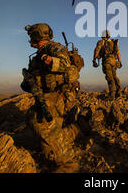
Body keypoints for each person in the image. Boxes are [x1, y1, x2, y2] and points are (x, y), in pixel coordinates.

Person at [20, 23, 81, 172]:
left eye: (32, 36)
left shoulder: (54, 48)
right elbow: (32, 78)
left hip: (58, 95)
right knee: (38, 122)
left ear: (37, 36)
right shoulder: (37, 56)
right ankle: (73, 131)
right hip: (45, 96)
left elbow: (65, 65)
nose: (30, 40)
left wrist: (47, 59)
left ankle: (68, 165)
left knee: (40, 122)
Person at [93, 30, 122, 100]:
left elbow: (96, 51)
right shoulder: (113, 42)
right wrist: (119, 61)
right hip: (114, 62)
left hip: (107, 62)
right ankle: (119, 91)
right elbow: (118, 53)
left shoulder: (100, 42)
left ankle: (112, 95)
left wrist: (94, 60)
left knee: (109, 78)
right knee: (114, 76)